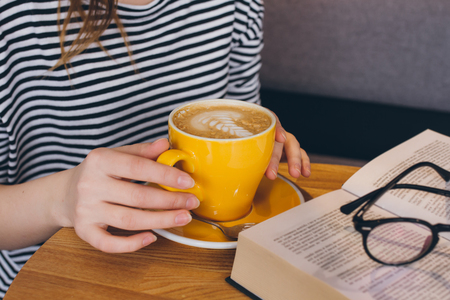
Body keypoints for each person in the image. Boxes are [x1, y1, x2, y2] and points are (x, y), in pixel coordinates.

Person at [0, 0, 310, 296]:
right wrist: (60, 198)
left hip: (194, 270)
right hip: (48, 275)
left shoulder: (235, 5)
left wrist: (260, 150)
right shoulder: (14, 15)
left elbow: (240, 114)